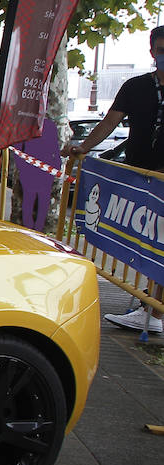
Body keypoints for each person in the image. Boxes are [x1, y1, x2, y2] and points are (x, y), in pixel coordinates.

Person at [64, 25, 164, 332]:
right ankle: (151, 306)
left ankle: (155, 313)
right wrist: (83, 147)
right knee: (148, 245)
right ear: (152, 53)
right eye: (161, 51)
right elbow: (110, 122)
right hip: (140, 180)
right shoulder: (135, 87)